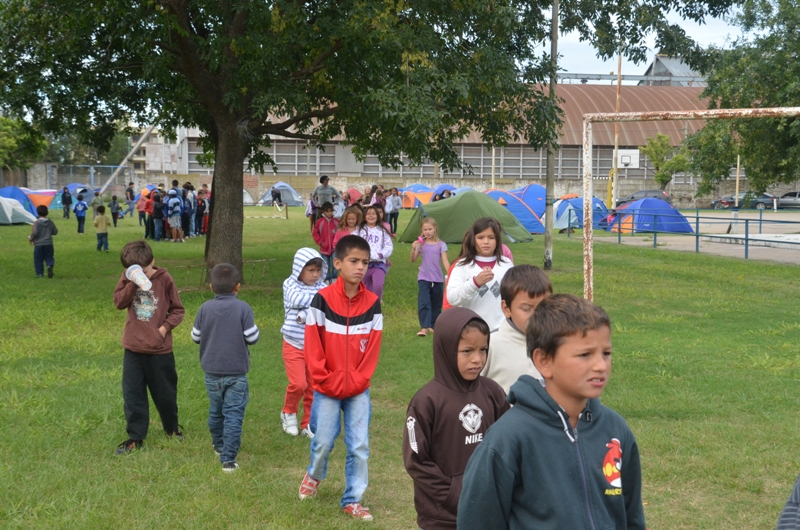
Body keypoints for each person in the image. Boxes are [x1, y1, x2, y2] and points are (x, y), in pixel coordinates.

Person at [457, 294, 646, 530]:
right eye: (585, 354)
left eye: (606, 353)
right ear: (544, 361)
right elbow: (478, 521)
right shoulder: (508, 438)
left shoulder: (615, 430)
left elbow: (632, 516)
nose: (600, 365)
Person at [298, 235, 382, 522]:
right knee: (322, 441)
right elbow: (313, 344)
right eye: (354, 261)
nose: (360, 267)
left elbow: (372, 348)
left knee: (359, 446)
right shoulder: (321, 300)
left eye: (365, 262)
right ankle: (314, 474)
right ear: (338, 263)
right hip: (327, 387)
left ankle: (353, 499)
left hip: (358, 389)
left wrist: (359, 379)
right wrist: (325, 378)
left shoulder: (372, 303)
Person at [403, 308, 509, 529]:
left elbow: (508, 444)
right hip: (441, 518)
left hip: (487, 511)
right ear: (446, 349)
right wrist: (455, 494)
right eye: (467, 351)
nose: (477, 359)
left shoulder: (493, 393)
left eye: (483, 350)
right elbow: (417, 461)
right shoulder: (426, 401)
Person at [112, 240, 186, 455]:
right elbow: (119, 302)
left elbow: (178, 310)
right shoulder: (128, 278)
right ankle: (136, 437)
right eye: (131, 270)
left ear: (152, 261)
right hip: (133, 348)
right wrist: (134, 281)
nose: (138, 273)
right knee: (133, 394)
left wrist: (163, 329)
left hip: (159, 350)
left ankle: (172, 429)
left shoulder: (164, 279)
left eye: (142, 270)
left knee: (165, 393)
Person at [191, 263, 259, 472]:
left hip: (211, 371)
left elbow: (195, 337)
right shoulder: (243, 308)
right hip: (236, 373)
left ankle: (218, 445)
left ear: (211, 287)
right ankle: (228, 460)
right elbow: (252, 337)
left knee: (216, 411)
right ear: (237, 286)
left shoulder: (204, 309)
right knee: (233, 414)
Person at [481, 264, 552, 394]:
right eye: (526, 308)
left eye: (544, 306)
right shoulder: (489, 345)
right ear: (507, 309)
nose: (537, 314)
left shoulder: (557, 343)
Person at [280, 248, 327, 438]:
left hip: (315, 345)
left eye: (318, 270)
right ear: (299, 269)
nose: (315, 275)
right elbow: (295, 299)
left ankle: (308, 422)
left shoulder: (322, 286)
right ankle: (288, 411)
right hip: (293, 343)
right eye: (310, 270)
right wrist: (317, 303)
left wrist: (303, 314)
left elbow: (325, 310)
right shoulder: (290, 284)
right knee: (298, 383)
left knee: (313, 386)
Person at [445, 217, 513, 333]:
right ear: (473, 239)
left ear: (498, 240)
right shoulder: (462, 265)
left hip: (501, 331)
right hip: (471, 330)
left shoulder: (506, 264)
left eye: (491, 237)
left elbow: (512, 297)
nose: (486, 242)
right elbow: (452, 298)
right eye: (480, 237)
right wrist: (475, 283)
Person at [410, 217, 450, 337]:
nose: (427, 232)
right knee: (424, 302)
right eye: (425, 229)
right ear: (422, 231)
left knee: (436, 303)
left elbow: (445, 261)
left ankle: (433, 325)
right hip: (423, 278)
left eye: (429, 229)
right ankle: (424, 327)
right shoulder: (421, 245)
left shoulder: (441, 245)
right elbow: (413, 260)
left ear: (435, 229)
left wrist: (451, 274)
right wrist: (414, 248)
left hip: (437, 279)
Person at [356, 205, 393, 301]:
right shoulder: (360, 230)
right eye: (368, 214)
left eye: (373, 214)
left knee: (378, 285)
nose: (371, 216)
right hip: (364, 264)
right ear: (364, 216)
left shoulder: (382, 231)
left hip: (378, 264)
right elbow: (352, 242)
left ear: (377, 216)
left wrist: (381, 255)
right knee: (365, 286)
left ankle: (377, 302)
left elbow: (388, 246)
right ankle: (367, 304)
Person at [28, 204, 58, 278]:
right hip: (49, 243)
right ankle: (49, 265)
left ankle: (40, 274)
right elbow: (55, 232)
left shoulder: (37, 222)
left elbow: (35, 232)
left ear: (38, 213)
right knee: (49, 257)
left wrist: (31, 238)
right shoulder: (50, 222)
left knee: (38, 259)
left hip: (39, 244)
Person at [312, 202, 338, 284]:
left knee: (335, 264)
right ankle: (326, 279)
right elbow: (315, 234)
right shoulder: (320, 222)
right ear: (323, 212)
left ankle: (334, 278)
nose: (330, 213)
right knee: (325, 265)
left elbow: (340, 233)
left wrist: (337, 243)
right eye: (328, 211)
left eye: (331, 211)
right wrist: (322, 243)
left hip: (334, 249)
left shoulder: (336, 222)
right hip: (324, 249)